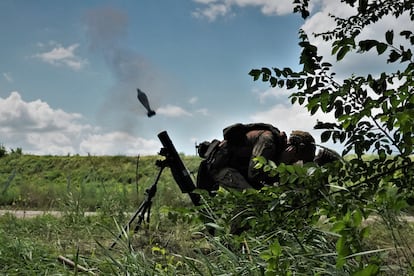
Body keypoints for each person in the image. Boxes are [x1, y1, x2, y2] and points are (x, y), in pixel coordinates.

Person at [196, 123, 317, 193]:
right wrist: (281, 163)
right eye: (298, 158)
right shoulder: (268, 140)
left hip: (233, 169)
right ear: (294, 149)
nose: (295, 162)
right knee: (252, 198)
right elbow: (255, 175)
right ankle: (235, 235)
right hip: (220, 167)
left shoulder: (278, 149)